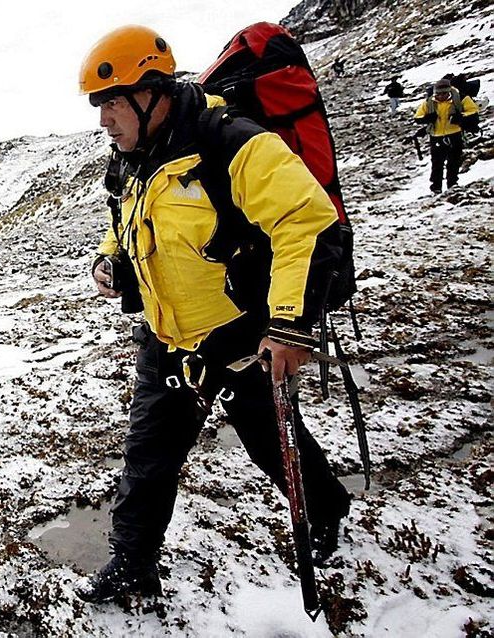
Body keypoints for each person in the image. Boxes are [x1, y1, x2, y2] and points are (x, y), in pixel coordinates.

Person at [75, 25, 352, 603]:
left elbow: (307, 221)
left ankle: (324, 512)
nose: (104, 120)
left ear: (152, 91)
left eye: (111, 103)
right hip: (167, 335)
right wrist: (110, 262)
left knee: (271, 441)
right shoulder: (130, 160)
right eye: (99, 106)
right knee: (148, 457)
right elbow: (126, 225)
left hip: (243, 335)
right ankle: (133, 565)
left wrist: (289, 326)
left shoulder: (233, 142)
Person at [415, 78, 480, 193]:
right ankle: (436, 187)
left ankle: (452, 184)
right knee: (437, 163)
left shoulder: (461, 98)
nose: (440, 96)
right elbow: (418, 117)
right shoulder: (429, 102)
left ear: (449, 91)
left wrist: (461, 116)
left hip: (454, 134)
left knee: (453, 161)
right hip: (436, 136)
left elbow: (473, 111)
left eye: (443, 93)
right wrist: (427, 118)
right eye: (438, 94)